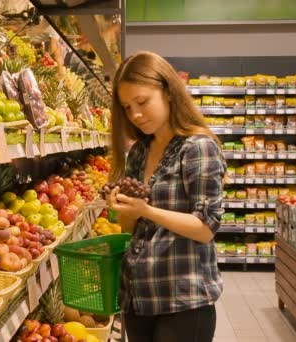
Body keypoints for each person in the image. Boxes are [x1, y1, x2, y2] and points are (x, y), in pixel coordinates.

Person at [106, 51, 226, 342]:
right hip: (139, 297)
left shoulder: (197, 148)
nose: (135, 114)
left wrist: (146, 210)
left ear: (169, 92)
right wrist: (122, 208)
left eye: (143, 102)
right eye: (127, 107)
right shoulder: (139, 151)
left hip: (182, 301)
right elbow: (129, 228)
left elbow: (205, 228)